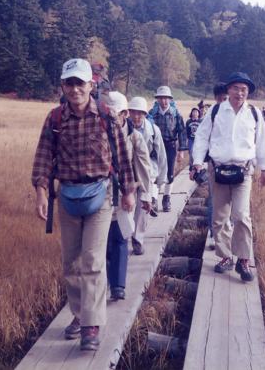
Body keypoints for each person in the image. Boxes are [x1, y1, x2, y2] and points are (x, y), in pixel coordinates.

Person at [31, 58, 136, 351]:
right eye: (69, 83)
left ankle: (91, 325)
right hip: (67, 197)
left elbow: (121, 156)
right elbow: (43, 157)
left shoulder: (106, 116)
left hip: (100, 196)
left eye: (80, 83)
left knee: (92, 260)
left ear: (92, 85)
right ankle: (79, 314)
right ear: (62, 86)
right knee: (71, 263)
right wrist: (41, 192)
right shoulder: (55, 119)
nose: (75, 89)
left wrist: (128, 192)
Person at [191, 72, 265, 283]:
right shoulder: (216, 111)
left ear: (248, 92)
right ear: (228, 90)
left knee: (241, 215)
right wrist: (197, 161)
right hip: (217, 171)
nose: (240, 93)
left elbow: (262, 142)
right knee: (219, 217)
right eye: (236, 88)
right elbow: (202, 136)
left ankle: (243, 260)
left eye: (244, 89)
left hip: (243, 172)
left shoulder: (253, 113)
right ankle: (225, 256)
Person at [103, 92, 153, 301]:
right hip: (101, 195)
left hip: (125, 193)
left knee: (120, 236)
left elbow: (144, 167)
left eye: (116, 113)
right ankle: (104, 281)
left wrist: (146, 195)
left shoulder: (134, 137)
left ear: (124, 114)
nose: (111, 118)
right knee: (103, 240)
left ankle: (118, 286)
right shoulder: (99, 132)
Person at [127, 96, 168, 255]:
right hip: (128, 172)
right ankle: (125, 236)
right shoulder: (123, 128)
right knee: (127, 206)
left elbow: (161, 155)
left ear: (145, 114)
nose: (136, 116)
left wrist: (161, 179)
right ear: (129, 112)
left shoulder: (153, 130)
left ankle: (138, 239)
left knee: (143, 206)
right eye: (133, 112)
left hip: (147, 172)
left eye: (140, 113)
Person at [148, 86, 188, 212]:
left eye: (166, 98)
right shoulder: (152, 114)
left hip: (170, 145)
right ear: (157, 99)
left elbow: (181, 132)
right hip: (155, 146)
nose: (164, 101)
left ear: (170, 99)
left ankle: (166, 198)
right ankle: (154, 199)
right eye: (161, 98)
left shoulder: (176, 114)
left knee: (170, 173)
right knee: (154, 172)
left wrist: (181, 151)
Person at [204, 83, 227, 248]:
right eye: (220, 98)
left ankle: (227, 231)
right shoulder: (212, 113)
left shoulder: (237, 112)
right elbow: (203, 137)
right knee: (214, 199)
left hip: (233, 164)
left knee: (230, 201)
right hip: (215, 164)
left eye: (225, 98)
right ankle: (213, 234)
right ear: (215, 98)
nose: (223, 101)